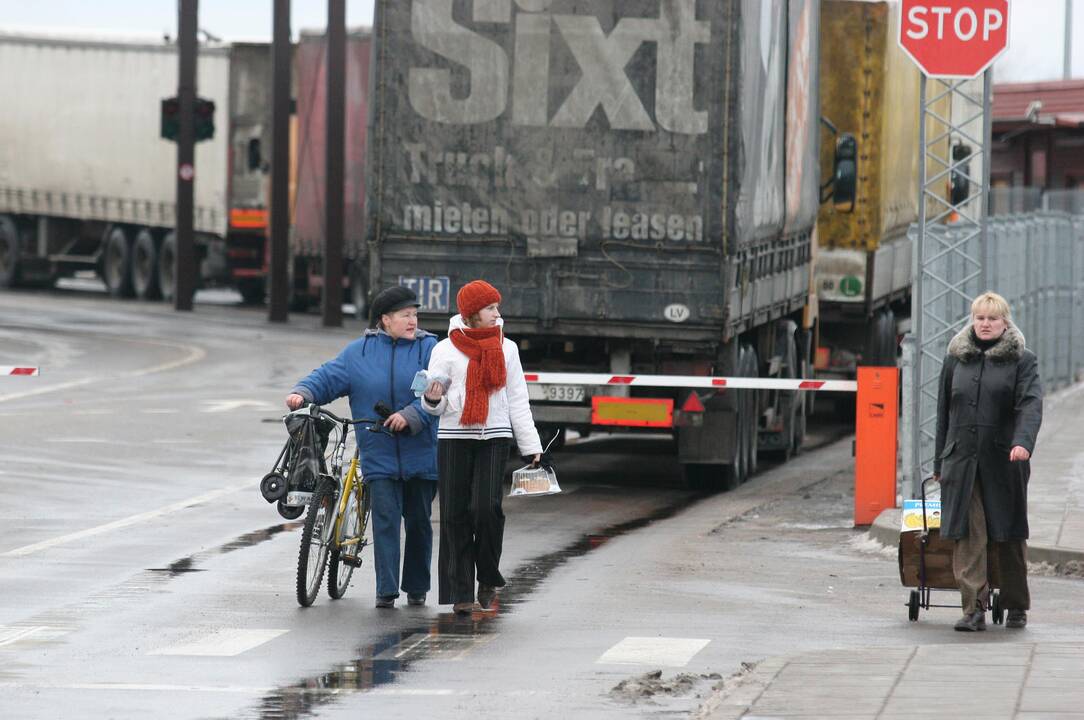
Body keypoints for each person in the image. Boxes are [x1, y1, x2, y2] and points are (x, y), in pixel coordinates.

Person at [286, 286, 439, 609]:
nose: (413, 321)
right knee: (385, 519)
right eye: (405, 315)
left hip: (420, 451)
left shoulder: (429, 349)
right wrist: (303, 392)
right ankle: (386, 591)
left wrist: (410, 415)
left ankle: (416, 587)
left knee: (418, 521)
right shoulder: (360, 352)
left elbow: (436, 392)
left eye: (415, 314)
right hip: (378, 450)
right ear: (385, 320)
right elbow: (328, 377)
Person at [421, 280, 544, 615]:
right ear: (473, 312)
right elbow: (434, 405)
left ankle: (487, 575)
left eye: (496, 308)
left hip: (495, 435)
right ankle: (460, 591)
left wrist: (531, 444)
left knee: (485, 510)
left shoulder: (508, 349)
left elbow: (518, 399)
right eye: (491, 308)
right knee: (454, 514)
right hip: (454, 436)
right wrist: (433, 398)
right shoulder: (444, 350)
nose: (497, 314)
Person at [933, 291, 1043, 632]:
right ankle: (973, 609)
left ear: (1004, 323)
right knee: (968, 534)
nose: (985, 324)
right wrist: (940, 462)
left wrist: (1022, 443)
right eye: (979, 318)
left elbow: (1030, 405)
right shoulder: (956, 359)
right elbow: (943, 413)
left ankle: (1015, 605)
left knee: (1008, 533)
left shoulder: (1022, 360)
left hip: (1004, 461)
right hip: (962, 462)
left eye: (992, 319)